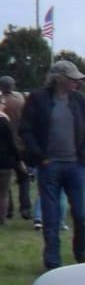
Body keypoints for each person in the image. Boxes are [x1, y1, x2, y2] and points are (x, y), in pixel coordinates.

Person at [20, 61, 85, 268]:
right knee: (51, 218)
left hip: (76, 166)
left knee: (81, 215)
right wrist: (40, 155)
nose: (76, 83)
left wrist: (83, 156)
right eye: (72, 79)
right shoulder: (38, 99)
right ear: (59, 78)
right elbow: (25, 130)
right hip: (49, 166)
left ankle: (81, 256)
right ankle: (52, 262)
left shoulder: (80, 100)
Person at [0, 75, 29, 221]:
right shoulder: (22, 99)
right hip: (21, 143)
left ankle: (8, 210)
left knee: (5, 183)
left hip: (5, 145)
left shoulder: (2, 103)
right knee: (23, 178)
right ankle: (25, 207)